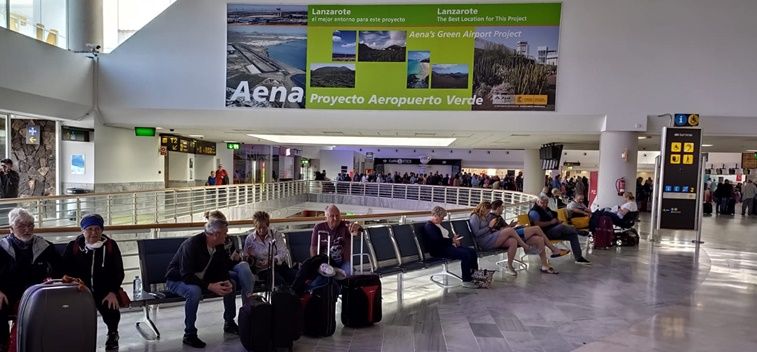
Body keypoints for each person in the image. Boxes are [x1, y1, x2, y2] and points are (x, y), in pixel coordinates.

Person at [165, 211, 239, 348]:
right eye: (225, 233)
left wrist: (226, 279)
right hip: (177, 280)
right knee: (194, 291)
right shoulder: (192, 245)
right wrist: (210, 286)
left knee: (231, 284)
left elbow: (222, 267)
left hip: (201, 278)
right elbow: (186, 275)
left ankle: (229, 322)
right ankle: (189, 334)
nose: (226, 236)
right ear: (216, 235)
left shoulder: (219, 245)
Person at [0, 208, 62, 351]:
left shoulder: (45, 247)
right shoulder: (2, 248)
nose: (27, 229)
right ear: (11, 229)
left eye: (30, 225)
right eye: (21, 226)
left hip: (38, 293)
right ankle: (3, 345)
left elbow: (61, 270)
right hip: (8, 293)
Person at [62, 214, 125, 351]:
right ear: (83, 231)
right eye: (89, 229)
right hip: (79, 290)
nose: (93, 232)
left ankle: (113, 334)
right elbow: (64, 271)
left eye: (97, 229)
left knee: (111, 307)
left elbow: (118, 272)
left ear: (102, 230)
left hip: (104, 290)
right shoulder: (73, 247)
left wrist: (112, 292)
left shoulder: (110, 246)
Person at [488, 200, 568, 274]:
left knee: (539, 239)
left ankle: (545, 266)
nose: (503, 209)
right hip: (511, 234)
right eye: (502, 207)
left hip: (513, 232)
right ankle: (553, 249)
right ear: (498, 208)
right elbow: (500, 231)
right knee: (537, 228)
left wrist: (511, 225)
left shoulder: (498, 217)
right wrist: (510, 227)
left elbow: (504, 228)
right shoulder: (493, 218)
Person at [469, 201, 531, 275]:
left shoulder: (485, 216)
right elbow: (476, 234)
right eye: (488, 211)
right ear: (483, 209)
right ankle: (525, 246)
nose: (488, 213)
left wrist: (492, 228)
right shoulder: (475, 217)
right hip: (483, 241)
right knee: (509, 230)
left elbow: (490, 228)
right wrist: (489, 227)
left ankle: (509, 266)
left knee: (512, 241)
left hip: (490, 237)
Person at [204, 211, 255, 300]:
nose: (225, 227)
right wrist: (231, 259)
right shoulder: (210, 240)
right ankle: (248, 304)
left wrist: (237, 258)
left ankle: (248, 300)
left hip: (231, 265)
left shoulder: (229, 239)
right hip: (219, 270)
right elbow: (217, 264)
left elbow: (232, 260)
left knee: (244, 266)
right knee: (243, 279)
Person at [423, 206, 479, 288]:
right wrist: (452, 241)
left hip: (447, 247)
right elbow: (437, 241)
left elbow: (442, 239)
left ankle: (475, 276)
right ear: (436, 216)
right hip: (440, 250)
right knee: (466, 254)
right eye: (442, 217)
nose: (442, 219)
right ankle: (467, 280)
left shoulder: (437, 225)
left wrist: (453, 240)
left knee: (472, 251)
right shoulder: (430, 226)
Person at [529, 196, 592, 265]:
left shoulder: (545, 209)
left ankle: (579, 258)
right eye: (542, 203)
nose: (545, 205)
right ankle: (579, 232)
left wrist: (557, 221)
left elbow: (552, 217)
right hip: (545, 234)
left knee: (572, 235)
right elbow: (537, 225)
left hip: (553, 230)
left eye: (546, 203)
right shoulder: (534, 212)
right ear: (537, 202)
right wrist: (550, 222)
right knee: (562, 227)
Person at [244, 211, 295, 287]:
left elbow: (283, 252)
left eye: (264, 227)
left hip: (279, 266)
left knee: (295, 277)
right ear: (255, 227)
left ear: (268, 225)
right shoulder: (250, 239)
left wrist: (272, 260)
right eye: (259, 228)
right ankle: (285, 297)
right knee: (279, 282)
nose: (261, 230)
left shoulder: (276, 234)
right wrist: (253, 261)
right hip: (263, 270)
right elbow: (247, 259)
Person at [309, 205, 362, 275]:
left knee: (349, 274)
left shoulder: (345, 225)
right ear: (326, 217)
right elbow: (314, 247)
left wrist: (358, 229)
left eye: (337, 215)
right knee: (324, 278)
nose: (335, 218)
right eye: (332, 216)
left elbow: (357, 231)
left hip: (343, 262)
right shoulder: (319, 228)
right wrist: (316, 264)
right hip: (325, 263)